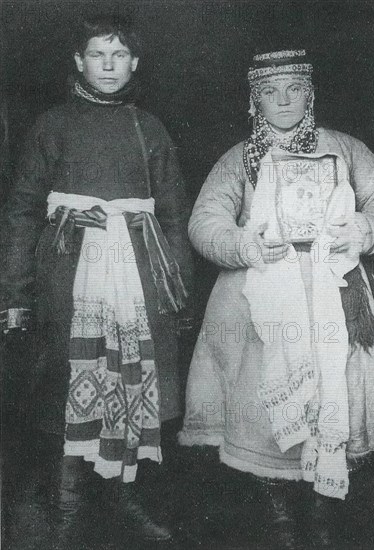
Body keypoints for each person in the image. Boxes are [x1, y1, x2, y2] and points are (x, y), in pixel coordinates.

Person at [179, 49, 374, 547]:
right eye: (270, 91)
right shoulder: (240, 158)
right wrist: (242, 244)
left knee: (335, 390)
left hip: (336, 291)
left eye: (294, 89)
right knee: (263, 404)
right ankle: (280, 510)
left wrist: (367, 227)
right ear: (253, 100)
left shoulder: (342, 147)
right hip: (261, 299)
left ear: (311, 93)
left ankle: (322, 507)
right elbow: (204, 220)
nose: (283, 100)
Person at [1, 16, 193, 544]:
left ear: (135, 63)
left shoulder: (148, 127)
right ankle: (65, 510)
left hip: (138, 279)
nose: (108, 67)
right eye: (97, 55)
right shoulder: (52, 125)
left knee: (131, 384)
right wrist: (15, 292)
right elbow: (20, 211)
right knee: (69, 386)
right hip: (69, 275)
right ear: (78, 61)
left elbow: (174, 213)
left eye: (119, 56)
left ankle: (124, 498)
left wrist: (175, 288)